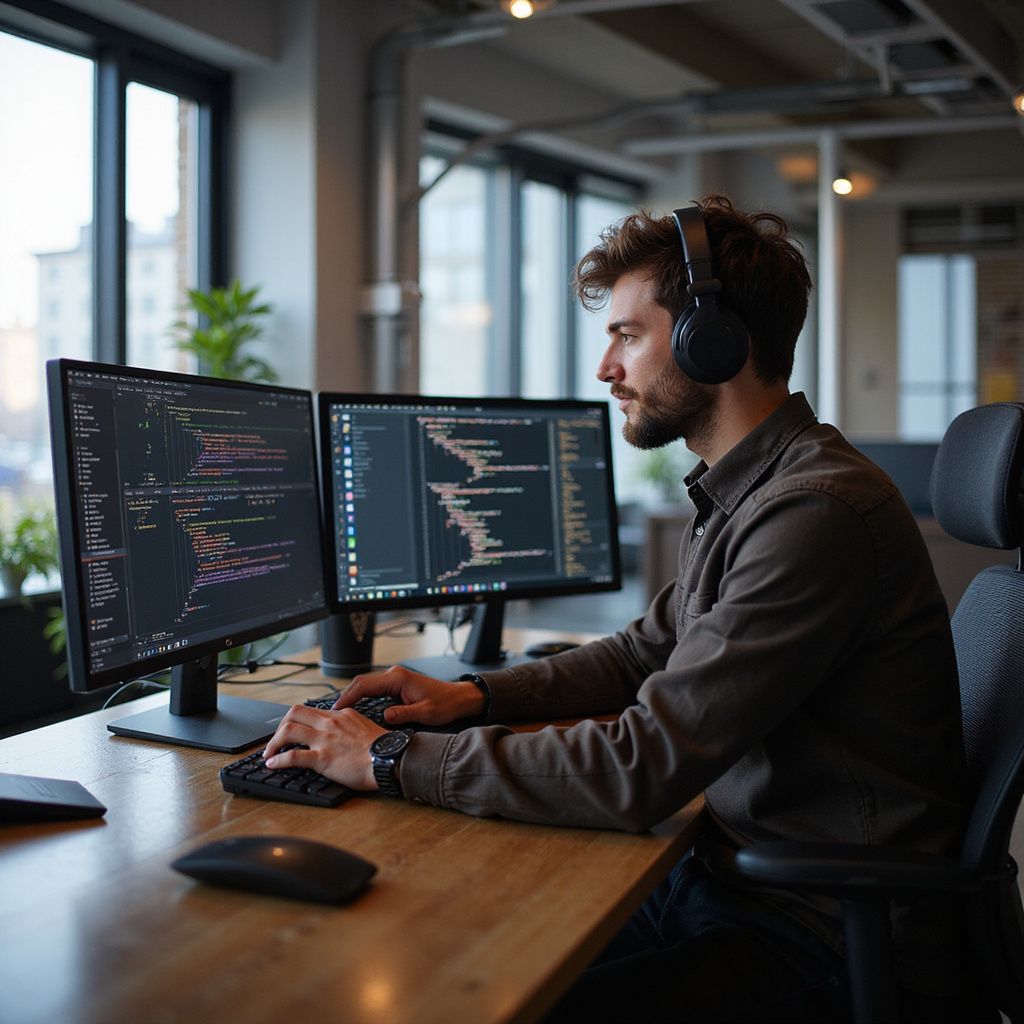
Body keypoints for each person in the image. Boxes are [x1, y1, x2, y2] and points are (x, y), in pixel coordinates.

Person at [263, 196, 984, 1021]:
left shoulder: (813, 512)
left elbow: (640, 766)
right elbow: (644, 654)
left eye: (628, 335)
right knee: (458, 945)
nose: (606, 369)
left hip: (822, 934)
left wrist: (391, 761)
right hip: (739, 878)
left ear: (710, 342)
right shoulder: (757, 489)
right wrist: (474, 697)